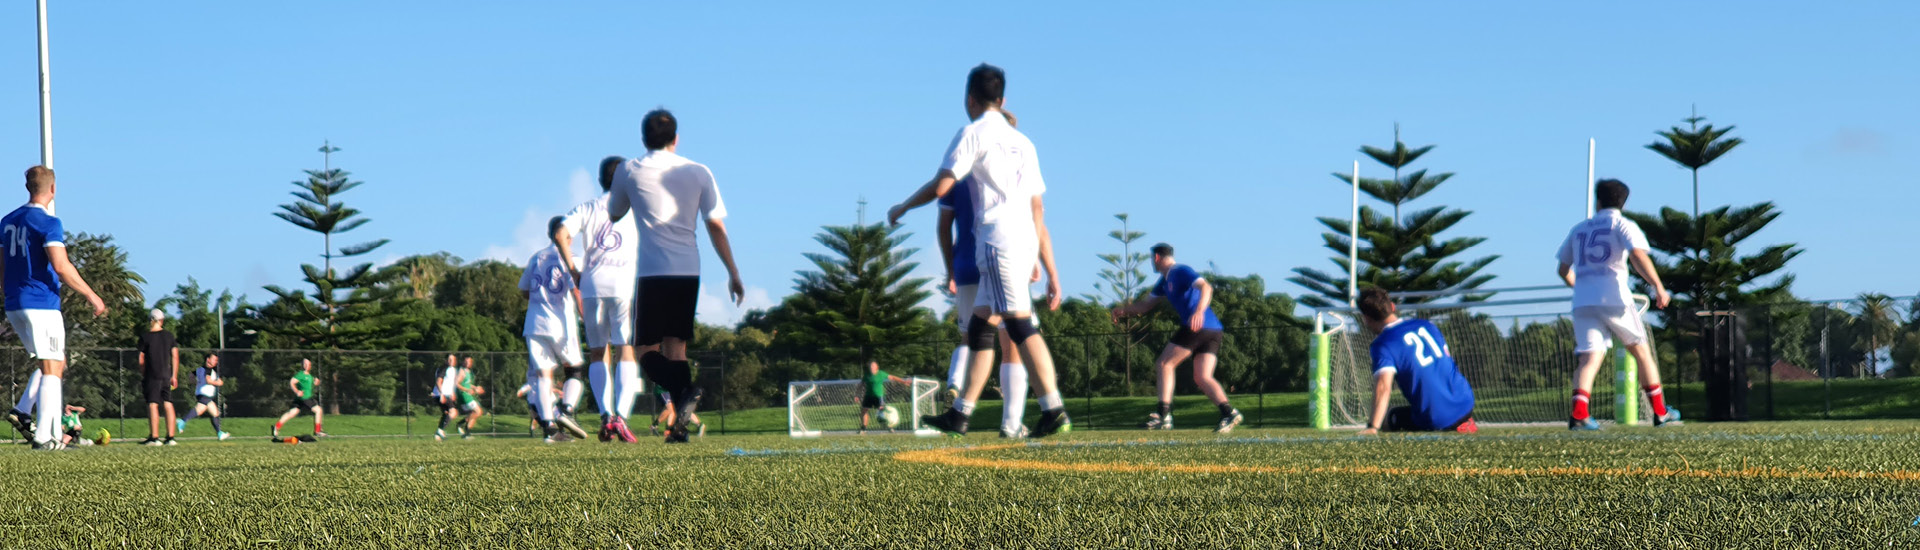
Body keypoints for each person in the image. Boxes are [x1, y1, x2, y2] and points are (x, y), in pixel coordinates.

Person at [887, 63, 1071, 438]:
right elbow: (1037, 208)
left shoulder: (972, 133)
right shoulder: (1025, 142)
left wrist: (903, 206)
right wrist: (1044, 263)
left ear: (969, 99)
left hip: (996, 241)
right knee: (981, 327)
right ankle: (960, 413)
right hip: (1022, 243)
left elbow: (942, 188)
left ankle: (1054, 410)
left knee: (1020, 324)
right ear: (1002, 100)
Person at [605, 109, 746, 444]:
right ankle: (679, 427)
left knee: (643, 351)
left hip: (653, 272)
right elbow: (715, 225)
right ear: (676, 138)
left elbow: (614, 213)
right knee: (676, 346)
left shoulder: (628, 169)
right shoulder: (699, 171)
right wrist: (733, 272)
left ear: (643, 138)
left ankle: (686, 391)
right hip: (689, 270)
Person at [935, 114, 1036, 439]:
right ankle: (1015, 421)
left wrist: (950, 269)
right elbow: (1035, 219)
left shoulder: (961, 170)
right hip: (1002, 255)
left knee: (974, 336)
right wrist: (1038, 262)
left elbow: (943, 224)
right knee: (1014, 341)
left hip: (966, 262)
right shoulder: (1015, 172)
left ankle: (956, 390)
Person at [1556, 179, 1680, 430]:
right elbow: (1637, 255)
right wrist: (1658, 286)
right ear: (1624, 201)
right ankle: (1660, 412)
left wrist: (1580, 288)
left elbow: (1563, 269)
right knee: (1641, 352)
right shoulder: (1622, 224)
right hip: (1614, 298)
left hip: (1583, 301)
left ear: (1597, 200)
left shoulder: (1579, 228)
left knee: (1589, 358)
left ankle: (1579, 414)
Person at [2, 166, 109, 450]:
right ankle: (46, 437)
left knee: (52, 362)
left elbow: (2, 266)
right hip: (41, 303)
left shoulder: (7, 220)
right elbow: (61, 267)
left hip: (14, 303)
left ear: (28, 188)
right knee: (52, 367)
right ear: (53, 189)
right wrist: (92, 295)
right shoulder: (49, 222)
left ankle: (28, 415)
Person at [1109, 243, 1245, 433]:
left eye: (1152, 259)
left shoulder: (1179, 270)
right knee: (1202, 376)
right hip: (1213, 330)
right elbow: (1145, 306)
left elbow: (1205, 287)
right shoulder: (1164, 281)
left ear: (1156, 257)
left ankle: (1163, 416)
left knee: (1164, 364)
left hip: (1198, 325)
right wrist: (1123, 311)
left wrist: (1198, 311)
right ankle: (1228, 413)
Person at [553, 156, 643, 441]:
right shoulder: (634, 208)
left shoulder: (588, 207)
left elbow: (560, 232)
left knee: (597, 352)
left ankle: (605, 416)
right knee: (625, 349)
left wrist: (573, 270)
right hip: (622, 286)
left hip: (591, 286)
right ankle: (622, 417)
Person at [1353, 287, 1478, 435]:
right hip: (1466, 401)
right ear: (1392, 307)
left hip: (1437, 418)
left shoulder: (1382, 345)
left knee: (1388, 418)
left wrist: (1373, 426)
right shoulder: (1427, 325)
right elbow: (1447, 362)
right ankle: (1461, 423)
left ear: (1366, 318)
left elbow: (1383, 387)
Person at [521, 222, 588, 443]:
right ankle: (566, 410)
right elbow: (576, 290)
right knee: (575, 369)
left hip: (534, 323)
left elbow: (523, 290)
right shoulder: (571, 258)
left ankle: (549, 429)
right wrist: (584, 315)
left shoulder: (536, 257)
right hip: (560, 324)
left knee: (543, 375)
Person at [135, 308, 181, 446]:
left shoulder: (145, 337)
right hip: (166, 375)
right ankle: (170, 437)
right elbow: (175, 356)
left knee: (153, 404)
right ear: (162, 320)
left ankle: (154, 437)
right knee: (168, 403)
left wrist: (143, 373)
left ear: (150, 320)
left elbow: (141, 359)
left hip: (152, 375)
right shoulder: (169, 336)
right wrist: (174, 376)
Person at [176, 354, 231, 440]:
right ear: (208, 360)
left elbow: (190, 376)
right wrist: (219, 383)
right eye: (214, 359)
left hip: (201, 394)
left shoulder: (199, 369)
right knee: (200, 409)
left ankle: (219, 433)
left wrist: (196, 382)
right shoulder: (208, 370)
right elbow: (208, 381)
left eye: (216, 360)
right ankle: (182, 421)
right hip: (205, 394)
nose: (216, 362)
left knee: (215, 413)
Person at [271, 359, 325, 439]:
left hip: (301, 398)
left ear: (310, 366)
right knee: (318, 410)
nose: (306, 366)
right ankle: (317, 431)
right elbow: (292, 382)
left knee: (292, 413)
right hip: (304, 398)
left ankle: (276, 427)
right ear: (302, 365)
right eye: (304, 364)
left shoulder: (310, 376)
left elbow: (311, 383)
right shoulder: (300, 375)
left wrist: (316, 382)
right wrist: (297, 391)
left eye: (308, 364)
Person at [858, 361, 909, 435]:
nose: (871, 367)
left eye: (873, 366)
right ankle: (864, 428)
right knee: (864, 411)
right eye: (870, 366)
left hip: (878, 396)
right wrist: (857, 394)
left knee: (883, 410)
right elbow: (861, 384)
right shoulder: (867, 375)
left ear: (876, 367)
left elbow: (893, 377)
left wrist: (903, 382)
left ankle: (890, 427)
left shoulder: (881, 374)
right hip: (868, 396)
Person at [430, 354, 461, 441]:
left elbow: (451, 383)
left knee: (447, 413)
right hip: (441, 395)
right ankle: (440, 431)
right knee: (453, 412)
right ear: (446, 360)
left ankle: (438, 434)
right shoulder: (444, 368)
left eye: (453, 359)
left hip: (446, 394)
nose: (451, 361)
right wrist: (442, 394)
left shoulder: (453, 370)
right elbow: (438, 381)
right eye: (449, 359)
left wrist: (453, 392)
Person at [455, 357, 487, 439]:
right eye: (465, 361)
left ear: (471, 363)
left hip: (468, 394)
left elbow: (467, 384)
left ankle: (467, 433)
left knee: (474, 413)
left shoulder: (469, 372)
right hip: (464, 395)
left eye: (468, 362)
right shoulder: (462, 371)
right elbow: (457, 384)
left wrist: (475, 388)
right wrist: (467, 390)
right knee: (478, 412)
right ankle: (461, 424)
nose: (467, 363)